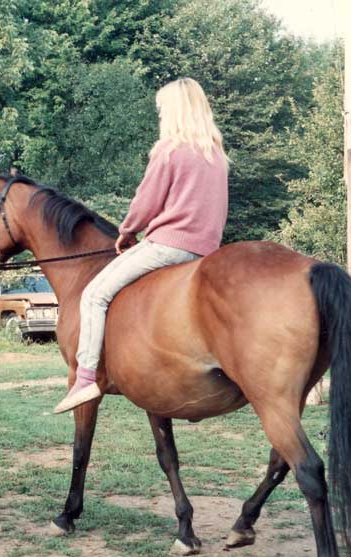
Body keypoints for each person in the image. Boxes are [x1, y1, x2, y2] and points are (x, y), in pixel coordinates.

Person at [53, 78, 230, 414]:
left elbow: (146, 201)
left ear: (174, 112)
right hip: (206, 251)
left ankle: (86, 377)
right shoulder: (216, 155)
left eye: (162, 110)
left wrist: (127, 230)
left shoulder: (170, 150)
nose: (160, 116)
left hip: (169, 245)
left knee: (94, 295)